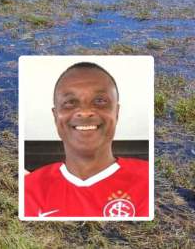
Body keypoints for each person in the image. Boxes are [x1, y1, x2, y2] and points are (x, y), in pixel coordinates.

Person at [24, 62, 150, 218]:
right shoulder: (28, 189)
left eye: (99, 101)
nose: (84, 112)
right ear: (56, 116)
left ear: (116, 113)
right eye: (70, 102)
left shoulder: (151, 179)